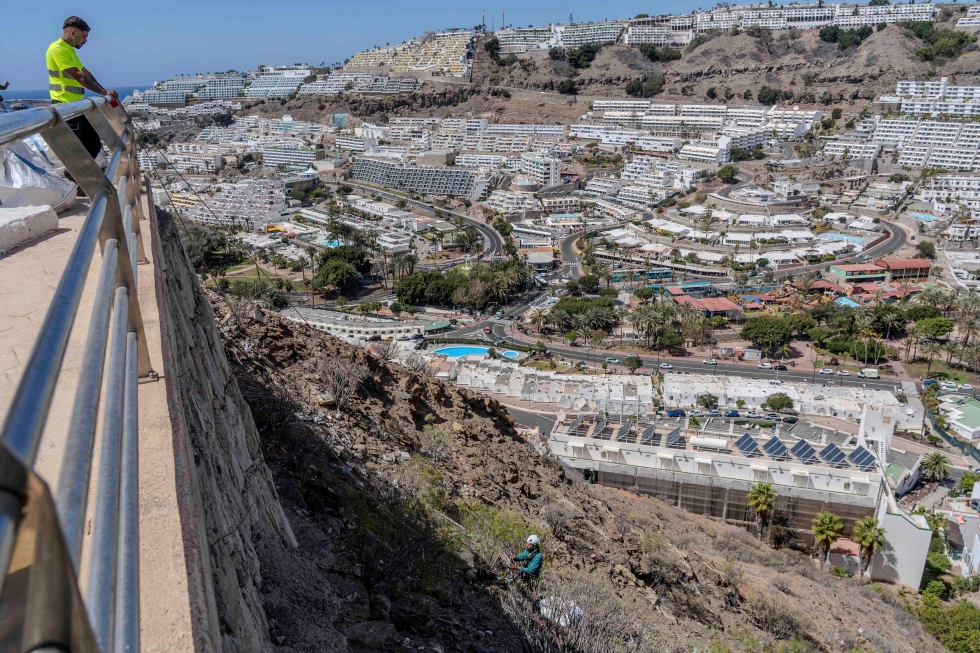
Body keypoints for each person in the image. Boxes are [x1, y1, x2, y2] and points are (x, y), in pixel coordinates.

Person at [46, 16, 117, 162]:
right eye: (83, 36)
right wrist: (103, 93)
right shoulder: (57, 49)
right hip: (64, 106)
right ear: (72, 32)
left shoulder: (69, 50)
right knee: (77, 151)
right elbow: (79, 76)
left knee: (94, 145)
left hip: (76, 106)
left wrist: (104, 90)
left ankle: (75, 177)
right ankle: (76, 179)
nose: (85, 40)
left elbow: (85, 72)